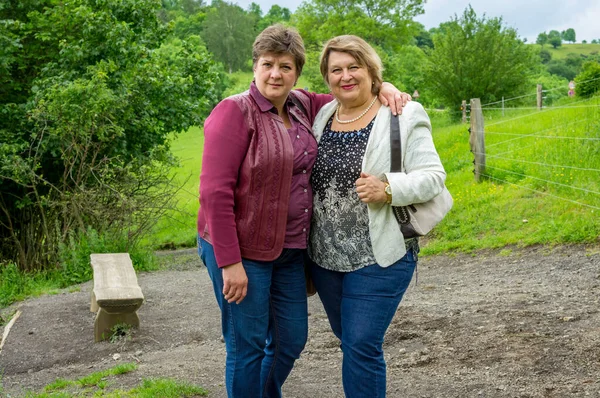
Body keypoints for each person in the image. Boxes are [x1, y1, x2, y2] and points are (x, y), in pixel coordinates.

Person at [197, 25, 409, 398]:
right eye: (267, 64)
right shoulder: (234, 112)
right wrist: (230, 262)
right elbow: (214, 193)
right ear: (255, 66)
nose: (275, 74)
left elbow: (349, 86)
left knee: (290, 339)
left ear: (297, 72)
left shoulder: (301, 105)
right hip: (241, 250)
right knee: (245, 345)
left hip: (290, 251)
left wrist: (384, 87)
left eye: (285, 66)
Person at [308, 35, 447, 398]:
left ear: (372, 71)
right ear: (326, 78)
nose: (346, 76)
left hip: (380, 255)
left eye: (354, 67)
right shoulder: (323, 116)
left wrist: (388, 189)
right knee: (350, 342)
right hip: (326, 260)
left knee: (361, 344)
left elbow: (434, 177)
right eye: (336, 69)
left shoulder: (402, 113)